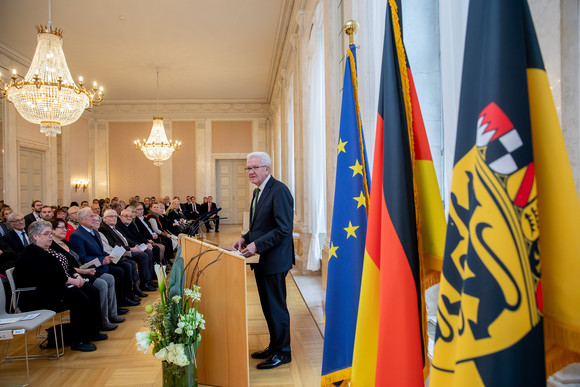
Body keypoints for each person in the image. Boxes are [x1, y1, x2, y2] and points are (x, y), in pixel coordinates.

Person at [232, 151, 294, 370]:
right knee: (268, 307)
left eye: (254, 168)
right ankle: (274, 346)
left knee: (276, 307)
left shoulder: (280, 191)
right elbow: (260, 226)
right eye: (248, 168)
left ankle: (283, 352)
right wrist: (245, 239)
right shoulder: (259, 192)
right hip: (262, 261)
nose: (250, 172)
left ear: (267, 168)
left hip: (275, 260)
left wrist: (256, 246)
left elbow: (284, 228)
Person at [14, 220, 105, 352]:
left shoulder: (49, 250)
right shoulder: (31, 253)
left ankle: (92, 332)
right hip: (37, 295)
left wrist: (75, 275)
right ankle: (77, 340)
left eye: (50, 233)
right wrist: (70, 281)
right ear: (35, 236)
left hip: (55, 287)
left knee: (92, 291)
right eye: (46, 234)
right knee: (79, 298)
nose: (50, 236)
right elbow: (46, 277)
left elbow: (67, 266)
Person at [51, 218, 124, 331]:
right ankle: (102, 320)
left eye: (65, 227)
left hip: (82, 270)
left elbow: (77, 260)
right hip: (76, 274)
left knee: (109, 278)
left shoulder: (65, 243)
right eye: (61, 228)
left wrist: (86, 269)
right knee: (102, 283)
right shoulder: (53, 248)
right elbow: (67, 268)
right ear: (52, 230)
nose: (65, 230)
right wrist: (84, 271)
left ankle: (112, 313)